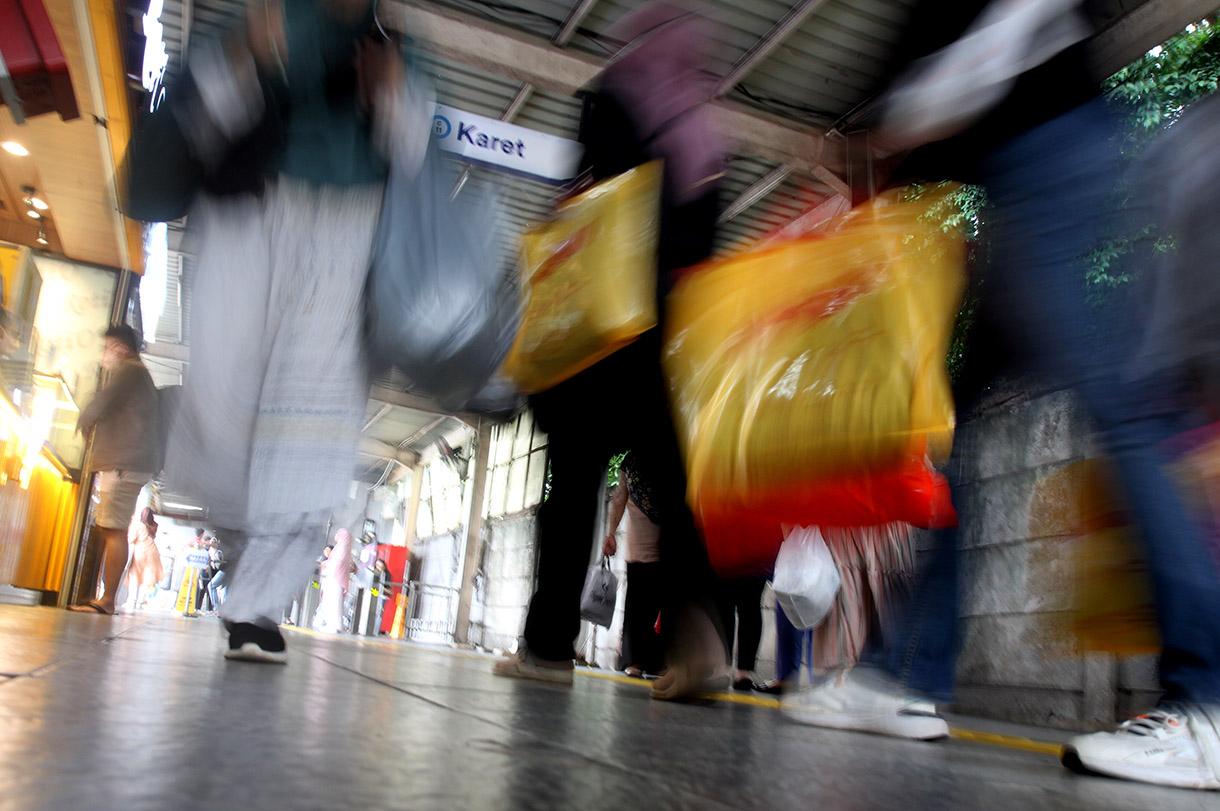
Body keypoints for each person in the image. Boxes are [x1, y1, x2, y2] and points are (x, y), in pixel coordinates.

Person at [782, 0, 1220, 792]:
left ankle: (1210, 702)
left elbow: (999, 42)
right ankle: (901, 677)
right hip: (1027, 176)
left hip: (1050, 160)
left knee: (1121, 413)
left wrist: (897, 123)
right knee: (959, 427)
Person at [122, 0, 432, 662]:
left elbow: (415, 151)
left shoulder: (394, 45)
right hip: (251, 217)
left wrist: (393, 96)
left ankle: (258, 605)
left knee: (312, 419)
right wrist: (248, 57)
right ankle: (242, 565)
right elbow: (201, 120)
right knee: (225, 395)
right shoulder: (266, 19)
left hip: (348, 237)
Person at [493, 2, 728, 699]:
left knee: (571, 490)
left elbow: (581, 203)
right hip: (668, 336)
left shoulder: (616, 99)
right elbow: (704, 240)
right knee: (679, 492)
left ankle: (547, 645)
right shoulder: (704, 129)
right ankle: (699, 644)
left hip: (601, 336)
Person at [69, 326, 160, 616]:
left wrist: (82, 422)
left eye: (106, 348)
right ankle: (105, 598)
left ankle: (107, 600)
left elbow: (100, 404)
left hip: (123, 463)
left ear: (120, 348)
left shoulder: (130, 371)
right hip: (129, 462)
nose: (102, 357)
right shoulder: (138, 374)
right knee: (112, 528)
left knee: (114, 529)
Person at [602, 452, 664, 678]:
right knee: (660, 603)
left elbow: (620, 498)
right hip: (663, 542)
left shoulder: (632, 460)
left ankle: (636, 662)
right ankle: (656, 661)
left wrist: (611, 533)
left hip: (641, 543)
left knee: (637, 604)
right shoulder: (672, 454)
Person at [315, 528, 356, 633]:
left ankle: (335, 626)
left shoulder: (342, 548)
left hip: (335, 580)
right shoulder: (344, 549)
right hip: (335, 579)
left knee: (334, 603)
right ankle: (332, 625)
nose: (336, 535)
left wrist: (326, 564)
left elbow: (337, 563)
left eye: (338, 534)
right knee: (332, 603)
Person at [125, 507, 166, 611]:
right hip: (152, 552)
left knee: (135, 576)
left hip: (141, 552)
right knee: (147, 579)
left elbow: (131, 539)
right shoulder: (154, 526)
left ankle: (132, 601)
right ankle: (140, 602)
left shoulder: (138, 525)